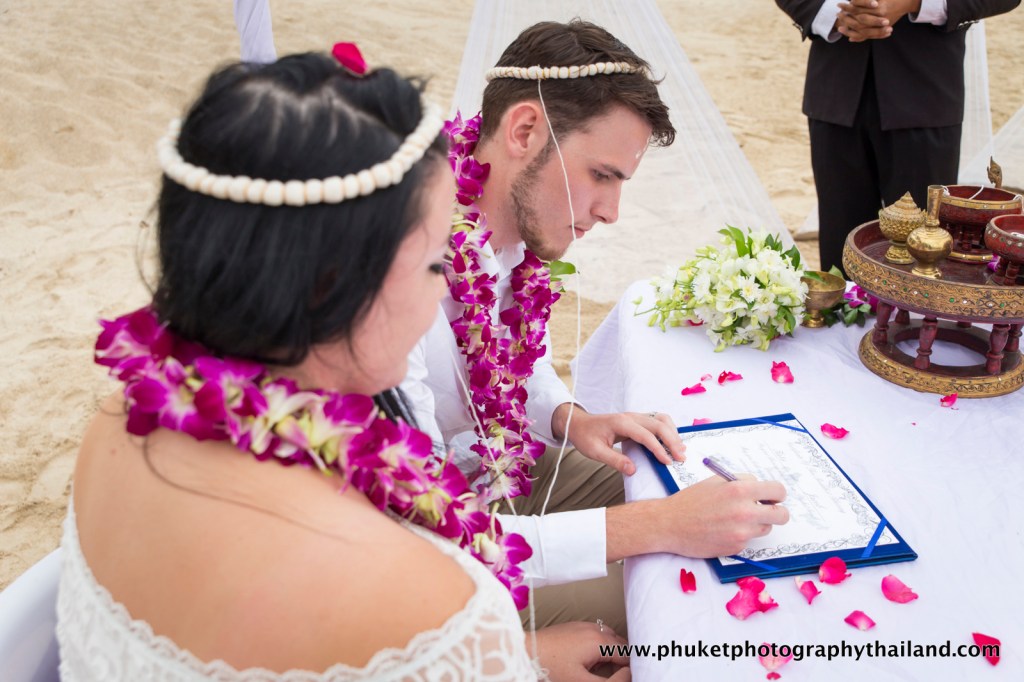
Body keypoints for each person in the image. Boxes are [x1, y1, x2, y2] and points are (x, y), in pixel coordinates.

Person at [56, 50, 628, 680]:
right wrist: (529, 662)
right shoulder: (424, 595)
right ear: (334, 285)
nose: (449, 292)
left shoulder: (119, 420)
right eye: (437, 262)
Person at [403, 19, 791, 638]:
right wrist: (657, 528)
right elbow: (422, 534)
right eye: (602, 176)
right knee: (683, 607)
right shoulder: (402, 279)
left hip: (498, 473)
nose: (611, 212)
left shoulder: (511, 226)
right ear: (524, 131)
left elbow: (509, 364)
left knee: (676, 481)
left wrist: (569, 419)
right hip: (432, 564)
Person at [774, 0, 1020, 273]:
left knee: (922, 256)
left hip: (925, 97)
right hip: (835, 94)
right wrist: (835, 16)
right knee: (841, 258)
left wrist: (913, 4)